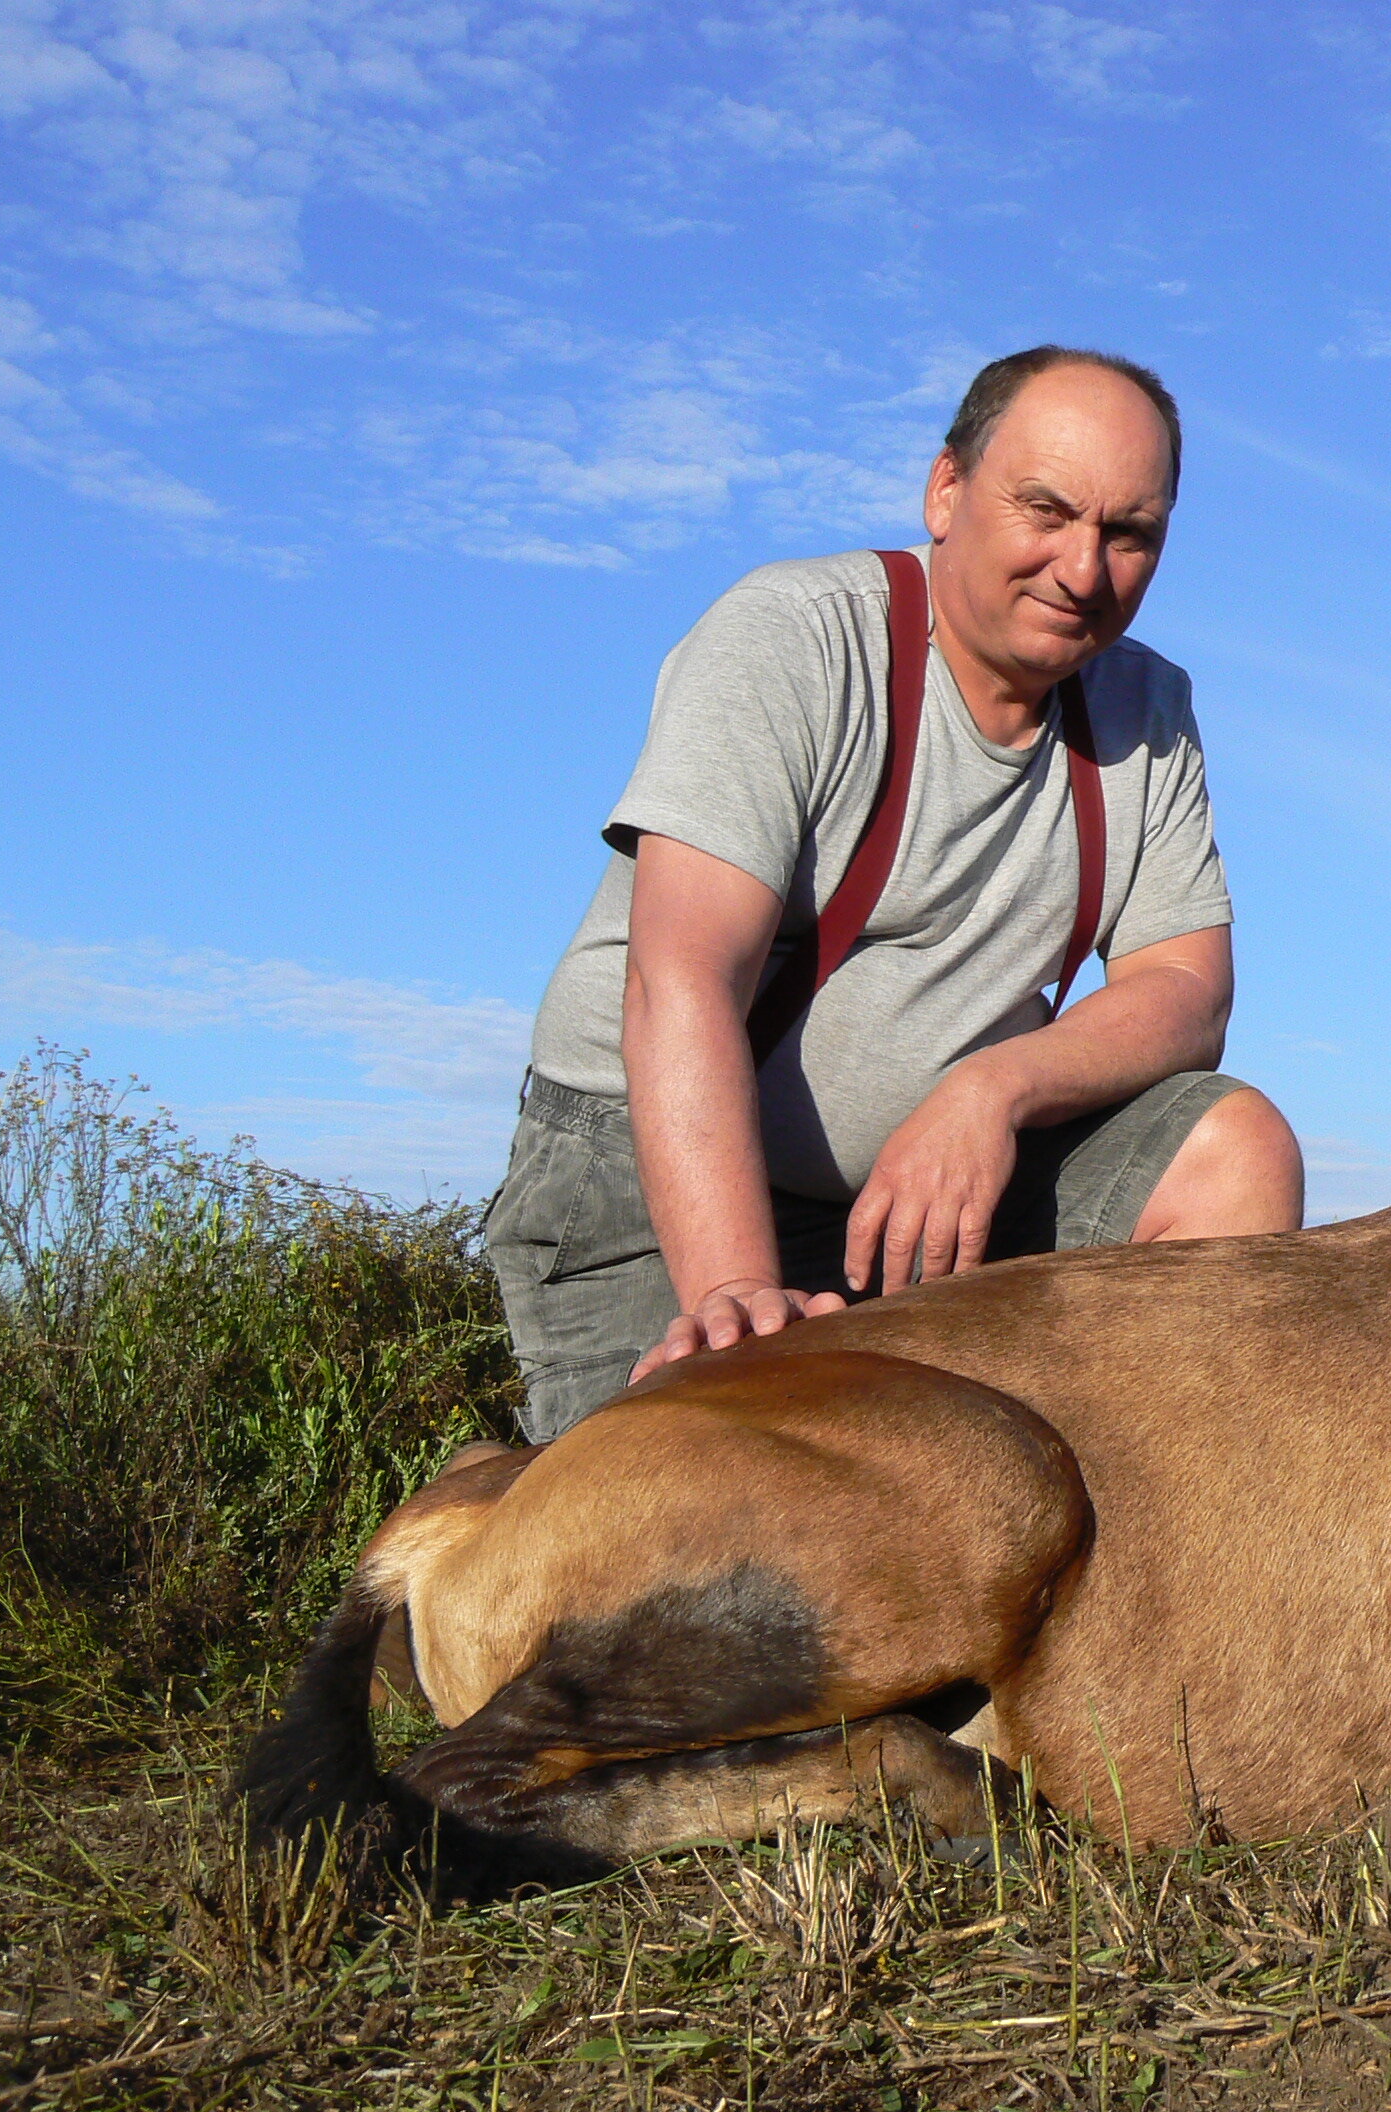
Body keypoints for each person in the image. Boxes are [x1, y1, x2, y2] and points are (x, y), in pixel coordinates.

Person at [484, 345, 1304, 1443]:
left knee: (1233, 1151)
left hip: (943, 1191)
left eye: (1127, 533)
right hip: (652, 1177)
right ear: (946, 491)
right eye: (1045, 510)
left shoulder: (1145, 706)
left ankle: (1159, 1565)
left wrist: (989, 1093)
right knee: (717, 1521)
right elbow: (678, 982)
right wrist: (734, 1288)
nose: (1080, 567)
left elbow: (1186, 988)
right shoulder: (793, 637)